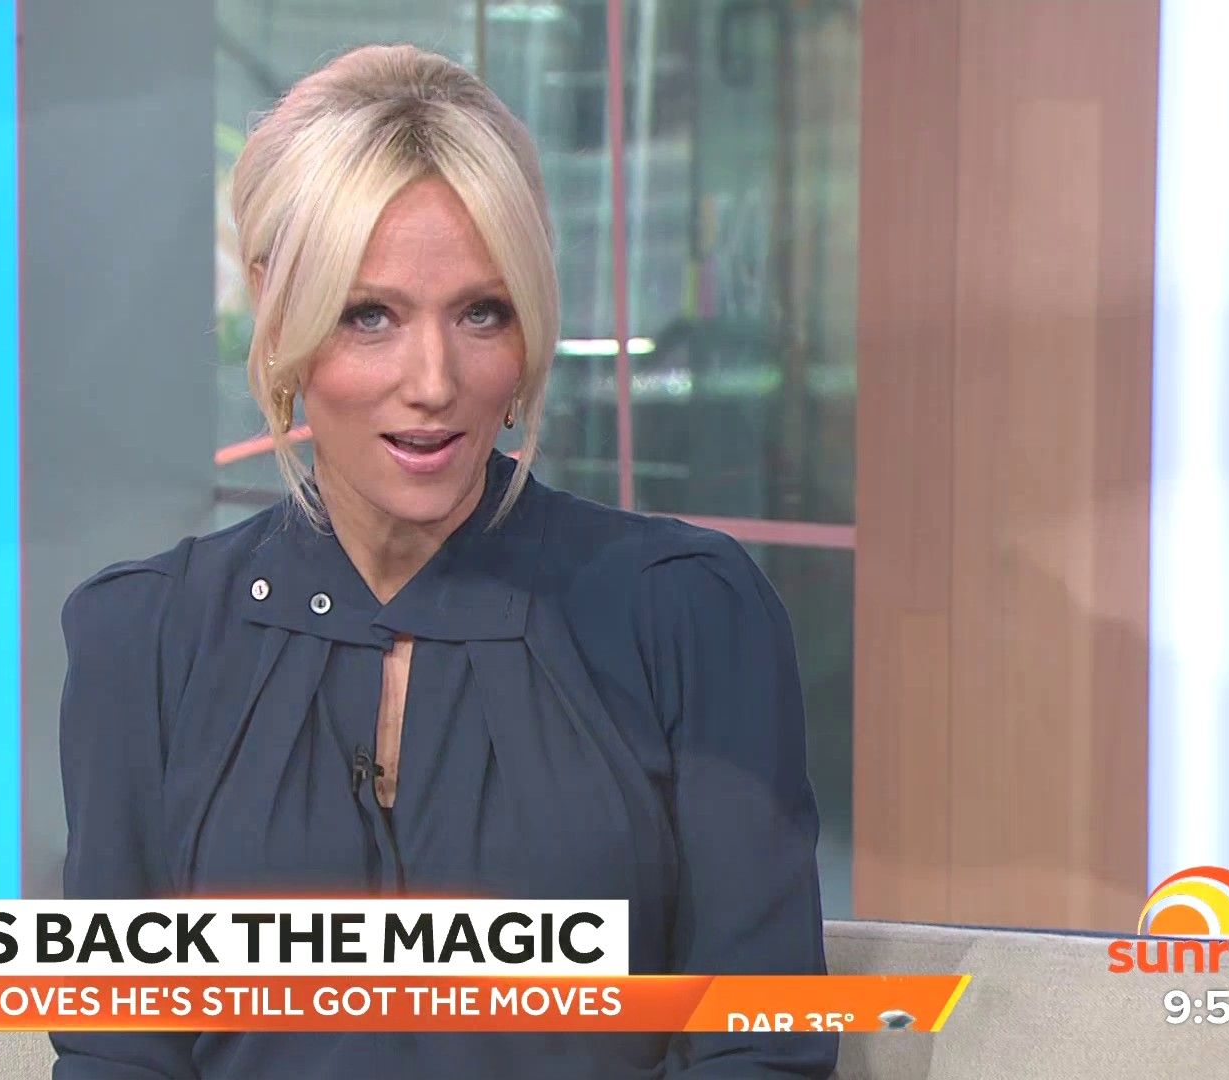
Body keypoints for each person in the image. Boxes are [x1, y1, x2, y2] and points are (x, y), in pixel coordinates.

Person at [53, 43, 835, 1080]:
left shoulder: (689, 617)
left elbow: (759, 1048)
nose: (433, 381)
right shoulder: (144, 641)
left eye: (481, 313)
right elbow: (120, 1056)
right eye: (369, 315)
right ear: (280, 322)